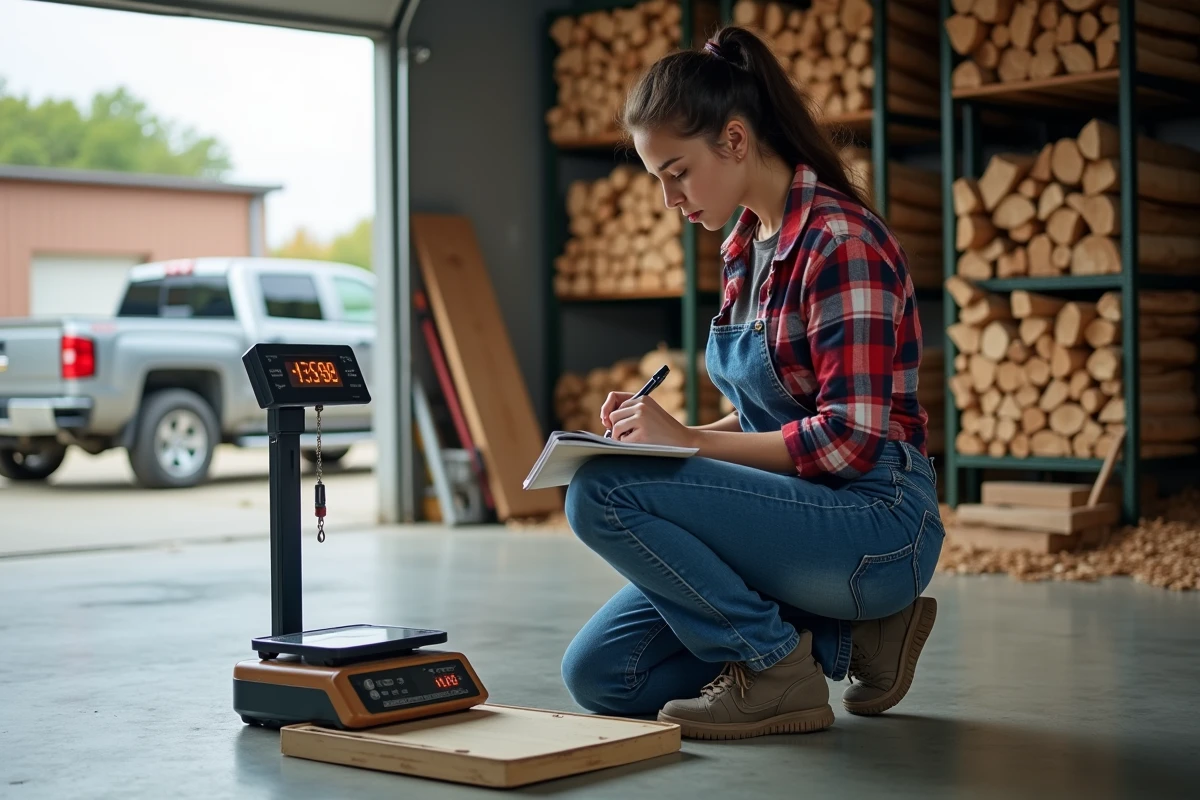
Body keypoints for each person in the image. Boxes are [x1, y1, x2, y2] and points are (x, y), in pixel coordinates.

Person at [559, 24, 943, 741]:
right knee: (606, 675)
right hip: (801, 516)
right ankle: (854, 641)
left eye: (677, 171)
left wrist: (688, 444)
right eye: (656, 180)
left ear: (734, 140)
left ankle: (776, 670)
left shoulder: (839, 243)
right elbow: (772, 411)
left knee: (599, 491)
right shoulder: (746, 247)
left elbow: (847, 443)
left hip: (876, 522)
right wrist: (664, 437)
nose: (670, 198)